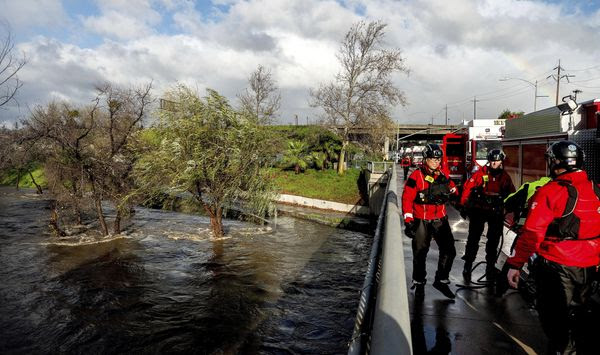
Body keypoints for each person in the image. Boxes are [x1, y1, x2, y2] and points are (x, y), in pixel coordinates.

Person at [506, 140, 600, 354]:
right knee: (580, 314)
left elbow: (531, 234)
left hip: (558, 264)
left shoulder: (551, 191)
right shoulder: (595, 189)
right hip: (589, 265)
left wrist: (515, 264)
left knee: (555, 319)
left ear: (556, 163)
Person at [402, 143, 458, 299]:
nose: (436, 162)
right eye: (433, 159)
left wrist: (453, 193)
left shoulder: (444, 174)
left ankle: (441, 279)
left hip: (440, 219)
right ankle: (419, 282)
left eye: (438, 159)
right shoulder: (416, 176)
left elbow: (453, 188)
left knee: (449, 250)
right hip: (422, 220)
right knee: (420, 252)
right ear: (425, 159)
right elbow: (407, 198)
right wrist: (408, 219)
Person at [459, 149, 515, 282]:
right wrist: (463, 205)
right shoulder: (479, 174)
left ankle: (490, 267)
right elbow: (467, 188)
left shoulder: (505, 177)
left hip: (495, 212)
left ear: (501, 161)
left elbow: (512, 194)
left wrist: (509, 209)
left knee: (493, 241)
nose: (494, 163)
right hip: (479, 210)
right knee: (473, 239)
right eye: (492, 161)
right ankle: (468, 265)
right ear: (489, 161)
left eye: (497, 161)